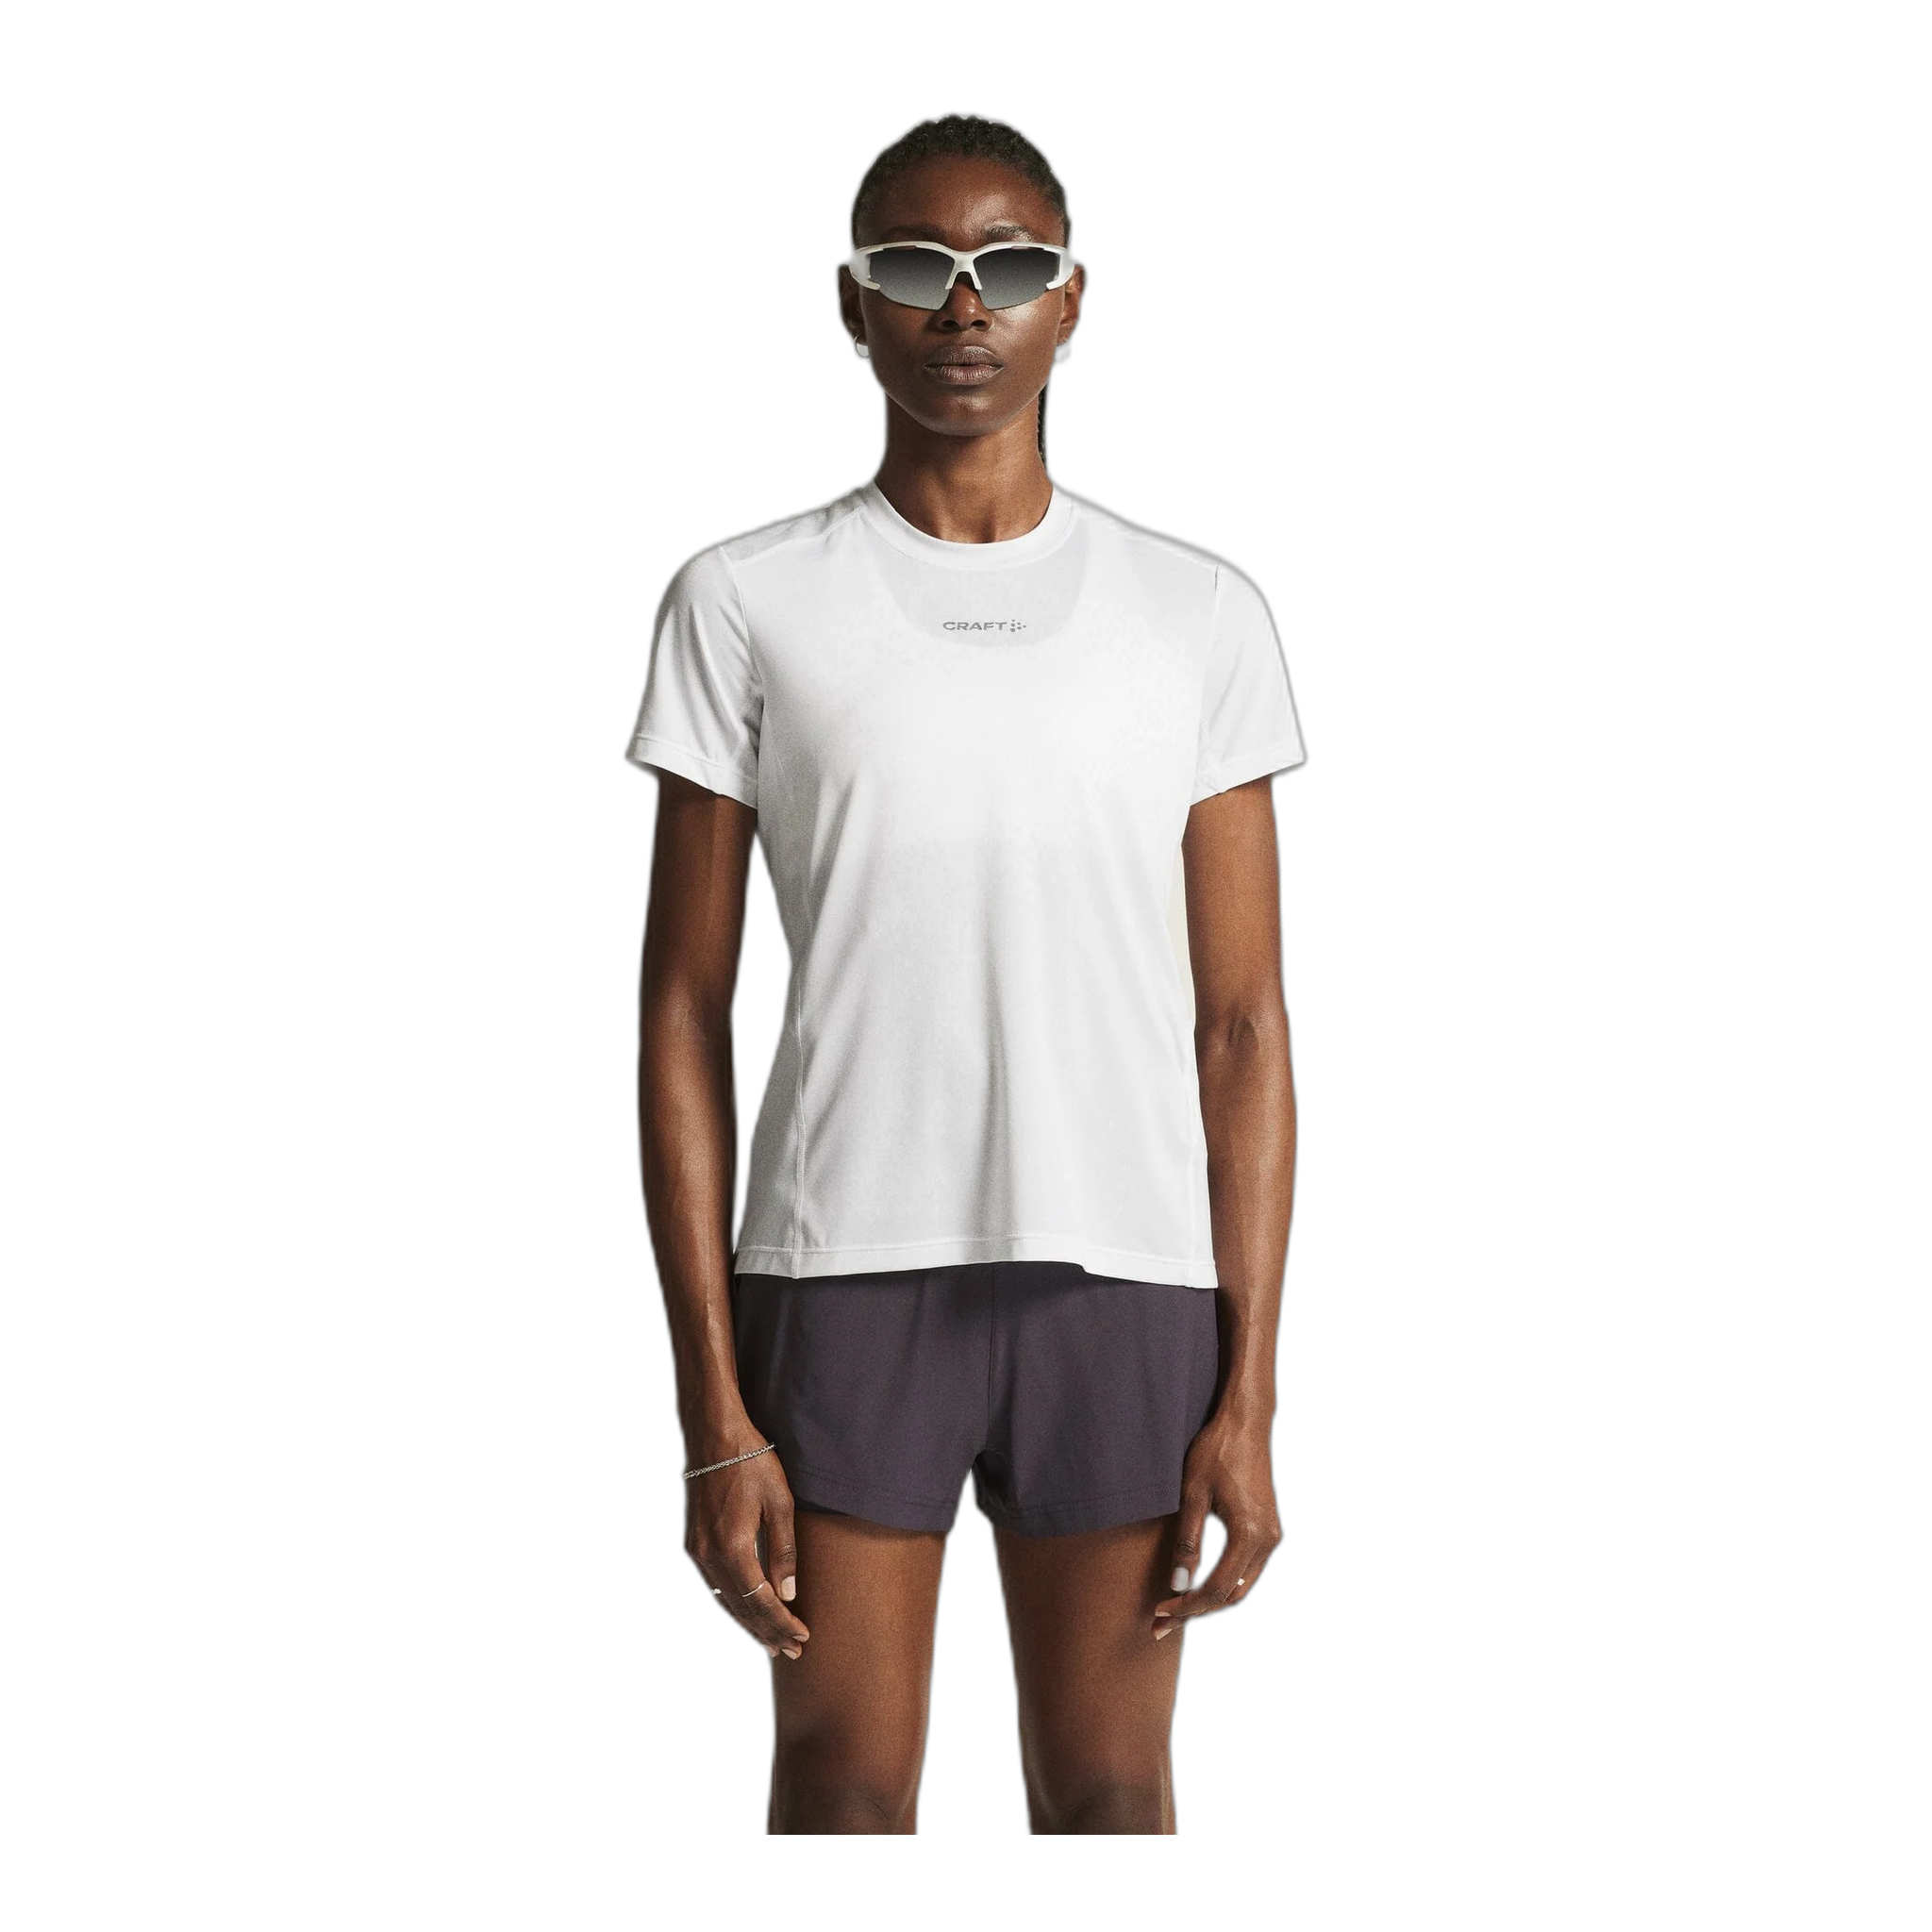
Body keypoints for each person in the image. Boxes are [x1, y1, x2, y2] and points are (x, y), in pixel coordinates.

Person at [628, 111, 1303, 1835]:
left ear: (1071, 300)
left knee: (1112, 1790)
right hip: (843, 1262)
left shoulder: (1196, 614)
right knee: (841, 1787)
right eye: (915, 266)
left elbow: (1242, 1025)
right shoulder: (744, 602)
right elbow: (685, 1012)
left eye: (1007, 265)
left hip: (1126, 1273)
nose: (963, 305)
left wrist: (1251, 1393)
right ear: (851, 304)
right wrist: (711, 1408)